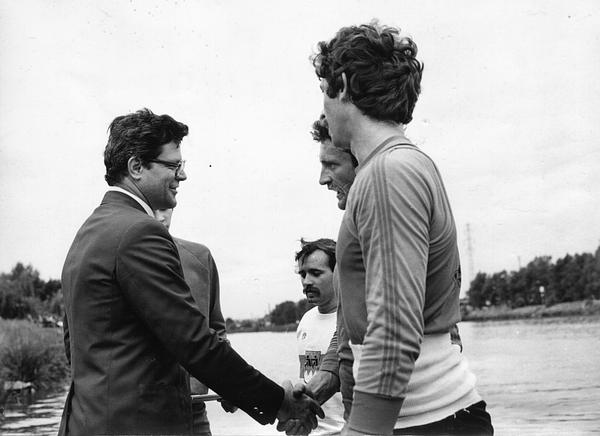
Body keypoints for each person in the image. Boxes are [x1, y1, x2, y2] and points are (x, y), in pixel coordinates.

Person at [59, 108, 322, 435]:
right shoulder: (139, 232)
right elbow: (194, 343)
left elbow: (73, 347)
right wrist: (278, 402)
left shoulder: (88, 233)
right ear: (136, 167)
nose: (182, 175)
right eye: (173, 165)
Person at [311, 22, 494, 435]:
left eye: (324, 90)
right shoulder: (401, 165)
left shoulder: (387, 173)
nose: (323, 106)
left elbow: (394, 328)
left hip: (427, 423)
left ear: (343, 85)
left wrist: (363, 431)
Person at [155, 208, 234, 436]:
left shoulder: (200, 257)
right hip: (134, 411)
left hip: (193, 409)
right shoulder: (115, 254)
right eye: (153, 206)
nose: (160, 216)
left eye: (166, 207)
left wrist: (229, 384)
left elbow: (216, 331)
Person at [295, 238, 346, 435]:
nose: (307, 281)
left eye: (316, 273)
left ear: (339, 273)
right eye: (303, 274)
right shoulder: (306, 320)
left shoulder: (355, 318)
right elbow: (311, 372)